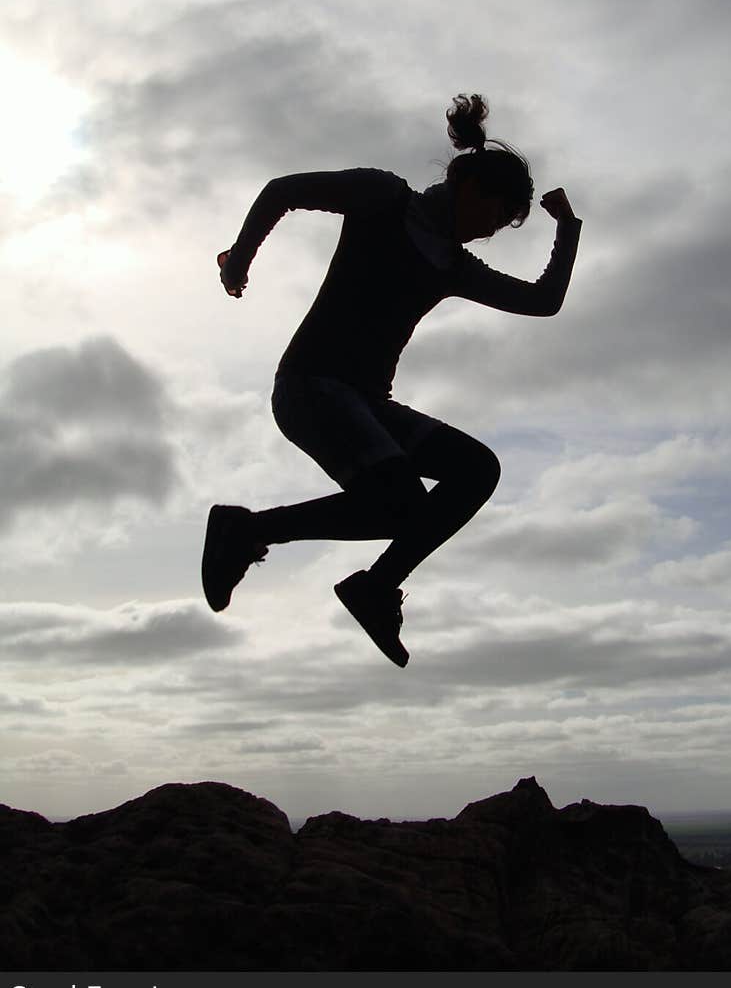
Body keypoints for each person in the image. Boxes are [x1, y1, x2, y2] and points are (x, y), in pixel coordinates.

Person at [201, 93, 581, 667]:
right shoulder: (383, 197)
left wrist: (568, 231)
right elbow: (284, 191)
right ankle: (247, 531)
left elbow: (543, 300)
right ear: (473, 191)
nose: (490, 234)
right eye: (497, 220)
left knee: (476, 469)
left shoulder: (453, 264)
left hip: (368, 405)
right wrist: (239, 261)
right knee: (400, 504)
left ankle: (374, 587)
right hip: (311, 387)